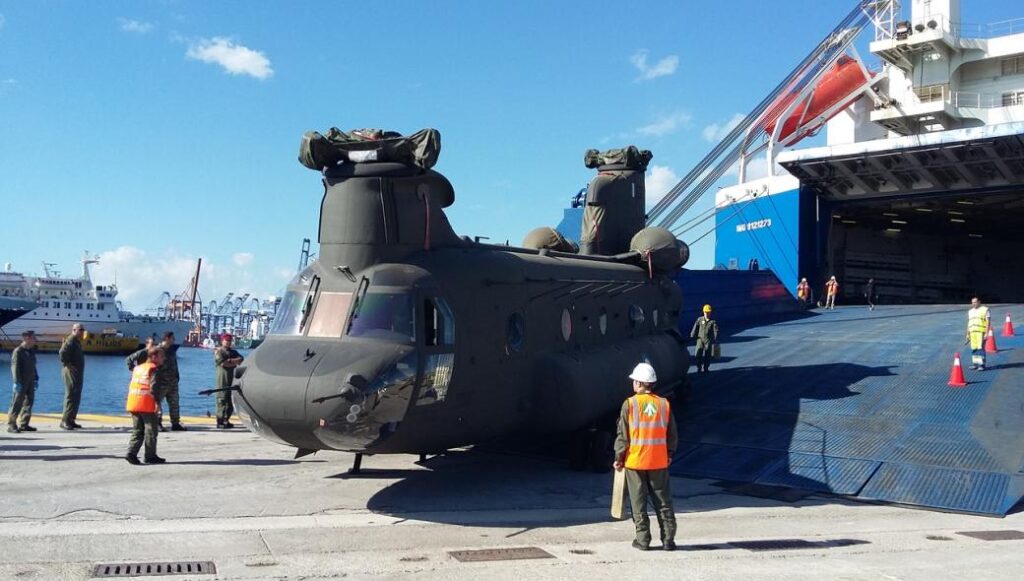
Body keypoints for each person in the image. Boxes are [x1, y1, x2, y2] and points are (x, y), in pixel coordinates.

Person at [613, 362, 678, 551]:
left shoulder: (630, 404)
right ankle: (668, 539)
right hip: (659, 461)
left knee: (638, 502)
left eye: (635, 381)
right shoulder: (664, 404)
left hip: (635, 462)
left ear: (640, 384)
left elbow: (623, 435)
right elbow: (671, 433)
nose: (633, 384)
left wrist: (619, 457)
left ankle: (643, 540)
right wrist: (670, 454)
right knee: (663, 501)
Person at [125, 346, 167, 465]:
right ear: (154, 357)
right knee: (151, 430)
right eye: (161, 356)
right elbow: (154, 388)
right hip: (146, 403)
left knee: (138, 430)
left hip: (134, 402)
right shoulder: (153, 369)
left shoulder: (138, 368)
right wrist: (157, 403)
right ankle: (150, 456)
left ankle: (131, 453)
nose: (163, 359)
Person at [8, 330, 39, 433]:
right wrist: (16, 382)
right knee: (17, 403)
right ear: (27, 338)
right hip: (21, 381)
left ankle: (24, 424)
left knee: (29, 402)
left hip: (30, 380)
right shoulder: (18, 351)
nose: (35, 340)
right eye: (33, 338)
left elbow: (33, 366)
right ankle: (11, 424)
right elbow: (15, 367)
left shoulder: (31, 351)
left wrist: (36, 378)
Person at [58, 323, 86, 430]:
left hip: (77, 373)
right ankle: (65, 420)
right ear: (74, 330)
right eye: (80, 330)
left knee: (76, 395)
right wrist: (67, 364)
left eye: (83, 330)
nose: (82, 332)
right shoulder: (71, 340)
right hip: (71, 372)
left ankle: (71, 419)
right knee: (71, 395)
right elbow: (62, 353)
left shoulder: (77, 342)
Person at [214, 334, 244, 428]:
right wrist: (234, 362)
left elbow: (241, 359)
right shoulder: (219, 351)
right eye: (226, 341)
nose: (228, 342)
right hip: (222, 379)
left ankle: (226, 419)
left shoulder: (233, 352)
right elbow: (223, 364)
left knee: (229, 401)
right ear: (222, 341)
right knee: (221, 399)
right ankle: (220, 421)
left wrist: (230, 361)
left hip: (232, 379)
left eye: (230, 341)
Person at [160, 332, 185, 431]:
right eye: (172, 339)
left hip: (173, 382)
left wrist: (177, 376)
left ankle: (175, 423)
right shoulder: (158, 350)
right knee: (157, 404)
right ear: (167, 338)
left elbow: (175, 364)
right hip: (161, 382)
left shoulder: (172, 351)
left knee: (174, 403)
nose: (174, 340)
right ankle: (157, 423)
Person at [689, 304, 719, 373]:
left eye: (709, 312)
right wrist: (692, 335)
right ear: (703, 312)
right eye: (706, 312)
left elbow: (715, 330)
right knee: (698, 353)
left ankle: (706, 368)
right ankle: (699, 367)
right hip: (700, 339)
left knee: (707, 354)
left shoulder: (713, 322)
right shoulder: (699, 319)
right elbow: (695, 327)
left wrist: (715, 338)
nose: (707, 314)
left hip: (708, 340)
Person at [966, 297, 991, 371]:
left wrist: (986, 333)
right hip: (972, 332)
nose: (974, 304)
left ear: (979, 302)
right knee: (974, 348)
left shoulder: (985, 309)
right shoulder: (970, 311)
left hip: (980, 332)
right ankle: (975, 364)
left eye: (975, 302)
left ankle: (982, 365)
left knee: (980, 348)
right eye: (972, 302)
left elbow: (988, 322)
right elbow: (969, 322)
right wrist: (967, 333)